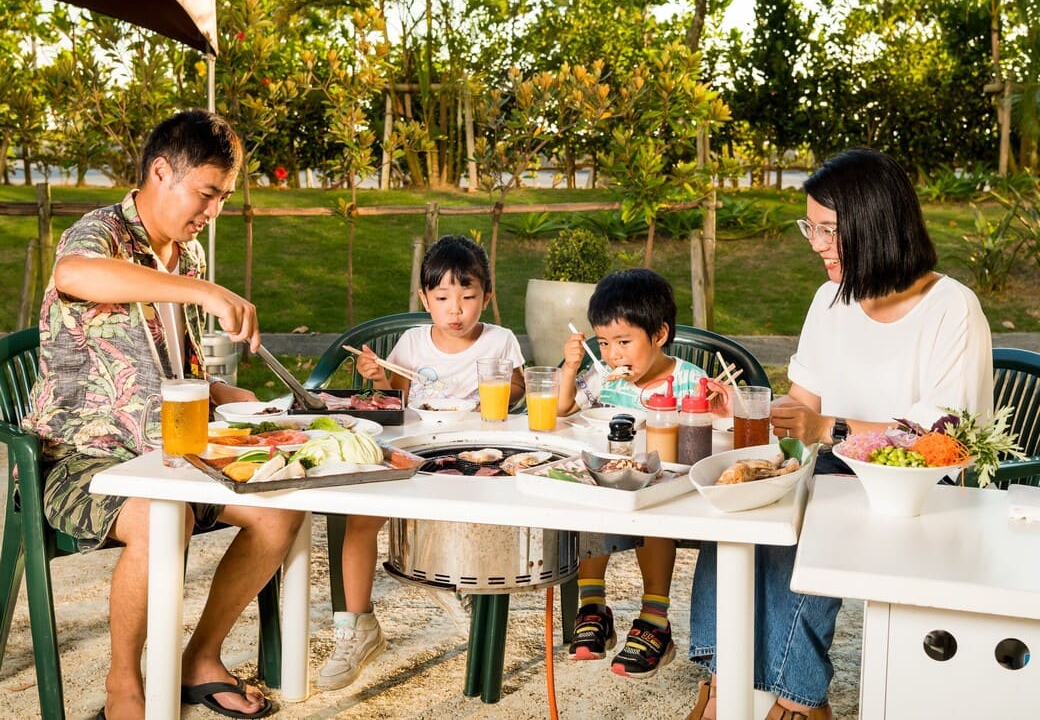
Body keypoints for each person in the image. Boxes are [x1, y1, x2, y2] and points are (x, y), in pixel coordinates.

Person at [685, 147, 993, 720]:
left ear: (874, 225)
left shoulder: (951, 309)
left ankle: (793, 701)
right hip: (828, 466)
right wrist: (748, 414)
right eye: (813, 227)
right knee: (735, 511)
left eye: (829, 230)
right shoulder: (830, 299)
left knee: (804, 527)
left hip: (917, 491)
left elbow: (948, 438)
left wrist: (827, 428)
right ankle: (726, 680)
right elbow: (801, 410)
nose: (816, 243)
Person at [25, 110, 304, 720]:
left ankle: (198, 660)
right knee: (160, 518)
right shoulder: (98, 234)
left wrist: (229, 398)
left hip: (174, 449)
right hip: (86, 462)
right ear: (160, 171)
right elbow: (73, 275)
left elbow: (179, 372)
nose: (212, 211)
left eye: (223, 198)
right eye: (206, 194)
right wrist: (200, 290)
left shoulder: (191, 253)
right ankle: (123, 684)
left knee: (281, 510)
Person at [319, 234, 525, 691]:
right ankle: (357, 625)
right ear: (424, 300)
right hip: (414, 449)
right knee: (360, 518)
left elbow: (518, 393)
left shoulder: (500, 340)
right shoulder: (413, 344)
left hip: (474, 453)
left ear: (486, 297)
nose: (456, 310)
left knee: (474, 517)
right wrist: (380, 376)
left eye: (468, 297)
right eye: (443, 298)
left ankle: (464, 589)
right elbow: (397, 398)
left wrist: (503, 388)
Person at [558, 268, 728, 679]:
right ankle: (592, 606)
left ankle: (655, 618)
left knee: (655, 509)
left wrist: (721, 408)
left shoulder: (690, 379)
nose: (614, 355)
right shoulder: (602, 379)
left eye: (624, 342)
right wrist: (569, 367)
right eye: (604, 343)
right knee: (590, 504)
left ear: (659, 334)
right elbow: (564, 410)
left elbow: (723, 431)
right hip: (610, 480)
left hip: (666, 486)